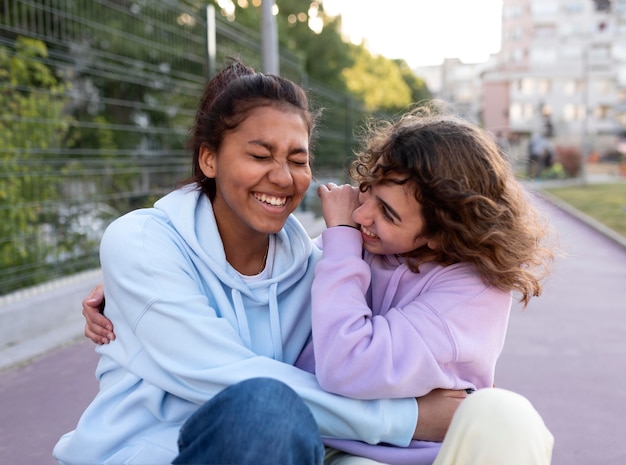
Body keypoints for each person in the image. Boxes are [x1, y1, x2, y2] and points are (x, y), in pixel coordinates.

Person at [55, 60, 464, 465]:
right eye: (260, 155)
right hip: (148, 454)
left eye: (298, 161)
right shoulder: (143, 243)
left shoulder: (317, 270)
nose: (284, 178)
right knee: (266, 409)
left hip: (272, 452)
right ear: (208, 159)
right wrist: (409, 419)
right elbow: (223, 378)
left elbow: (411, 317)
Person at [303, 106, 556, 465]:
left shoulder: (473, 293)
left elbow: (345, 364)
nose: (359, 216)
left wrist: (341, 240)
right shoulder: (360, 242)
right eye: (367, 191)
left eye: (388, 213)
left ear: (440, 233)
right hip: (339, 447)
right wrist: (341, 243)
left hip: (422, 455)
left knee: (509, 413)